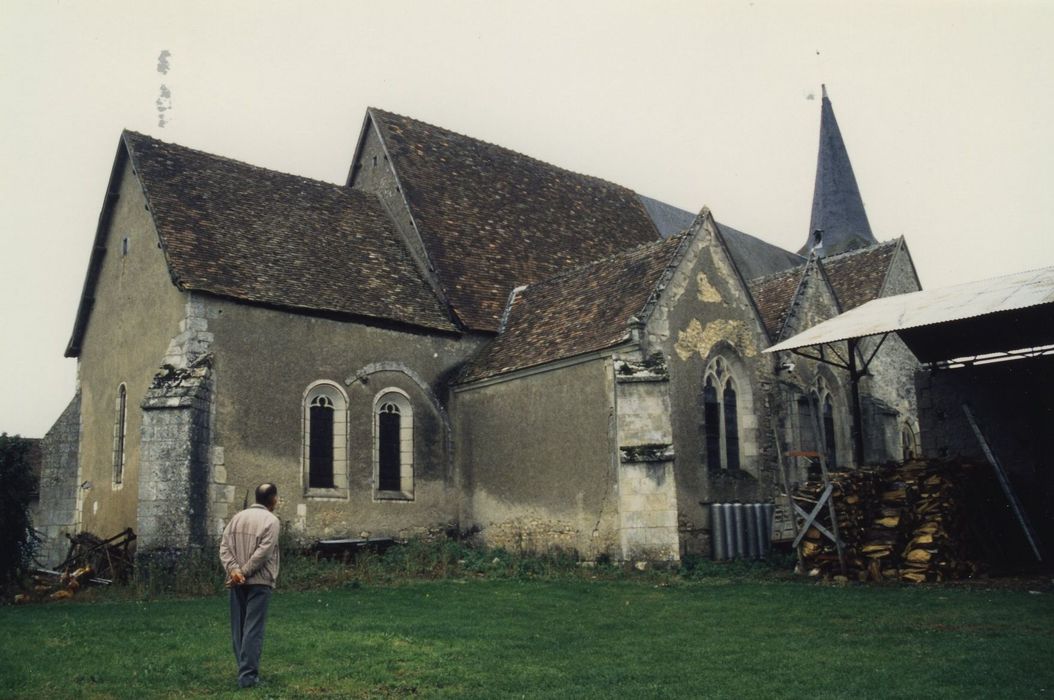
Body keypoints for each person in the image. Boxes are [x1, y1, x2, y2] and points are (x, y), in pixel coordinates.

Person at [219, 482, 281, 689]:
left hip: (238, 581)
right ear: (272, 499)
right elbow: (264, 553)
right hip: (259, 582)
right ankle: (248, 677)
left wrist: (234, 571)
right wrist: (241, 572)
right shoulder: (271, 521)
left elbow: (224, 546)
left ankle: (244, 670)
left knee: (239, 629)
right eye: (277, 498)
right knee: (253, 629)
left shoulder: (237, 518)